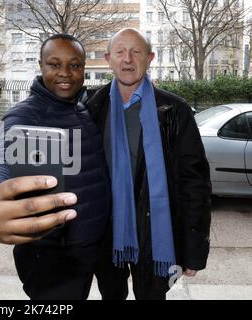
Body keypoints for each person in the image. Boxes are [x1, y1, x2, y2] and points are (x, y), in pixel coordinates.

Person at [0, 34, 111, 300]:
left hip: (84, 249)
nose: (65, 73)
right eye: (54, 64)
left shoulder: (80, 109)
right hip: (51, 256)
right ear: (40, 65)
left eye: (74, 65)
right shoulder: (27, 115)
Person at [87, 28, 212, 300]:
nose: (128, 59)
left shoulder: (174, 110)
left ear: (150, 57)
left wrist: (194, 248)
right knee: (111, 295)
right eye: (120, 52)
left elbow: (195, 181)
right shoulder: (91, 106)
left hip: (156, 231)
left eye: (136, 52)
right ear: (108, 58)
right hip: (105, 231)